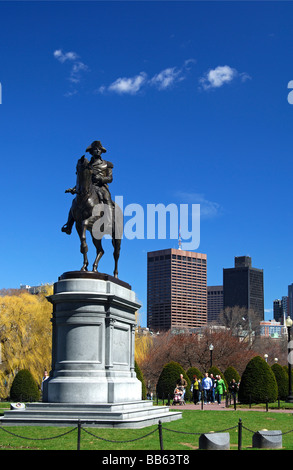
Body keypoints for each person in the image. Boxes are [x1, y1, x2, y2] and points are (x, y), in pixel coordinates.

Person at [62, 140, 114, 234]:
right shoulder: (87, 165)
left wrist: (101, 179)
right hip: (89, 187)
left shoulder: (107, 164)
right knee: (74, 201)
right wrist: (74, 188)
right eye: (95, 149)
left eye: (99, 149)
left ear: (101, 151)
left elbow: (110, 178)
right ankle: (69, 225)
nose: (97, 151)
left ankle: (109, 221)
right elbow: (83, 179)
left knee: (106, 198)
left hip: (101, 187)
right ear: (91, 151)